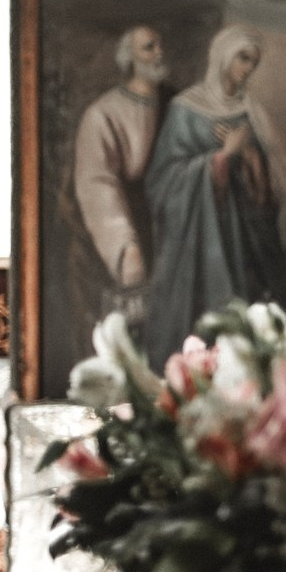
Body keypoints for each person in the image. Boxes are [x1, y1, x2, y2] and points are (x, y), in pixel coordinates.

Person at [143, 25, 286, 366]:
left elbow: (269, 184)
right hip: (196, 241)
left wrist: (250, 157)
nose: (247, 69)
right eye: (243, 58)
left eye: (253, 62)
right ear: (223, 56)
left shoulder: (251, 111)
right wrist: (220, 159)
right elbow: (163, 180)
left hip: (244, 239)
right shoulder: (185, 108)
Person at [67, 24, 170, 338]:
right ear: (129, 59)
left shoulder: (177, 105)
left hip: (173, 228)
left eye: (159, 45)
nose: (159, 53)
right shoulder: (104, 114)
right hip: (132, 228)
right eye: (148, 47)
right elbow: (97, 184)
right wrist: (125, 245)